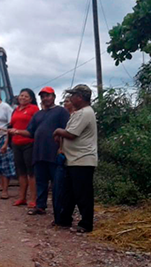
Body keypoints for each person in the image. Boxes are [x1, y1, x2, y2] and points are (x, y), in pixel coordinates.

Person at [9, 87, 70, 218]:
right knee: (41, 182)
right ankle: (40, 206)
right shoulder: (38, 115)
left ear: (53, 96)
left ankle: (59, 210)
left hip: (54, 153)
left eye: (47, 96)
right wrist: (17, 131)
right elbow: (30, 132)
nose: (45, 98)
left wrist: (62, 148)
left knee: (57, 183)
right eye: (43, 96)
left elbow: (67, 131)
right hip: (39, 153)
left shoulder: (61, 111)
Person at [53, 84, 98, 233]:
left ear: (79, 97)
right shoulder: (78, 113)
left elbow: (71, 134)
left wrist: (58, 131)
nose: (70, 99)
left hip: (82, 159)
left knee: (82, 194)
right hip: (73, 159)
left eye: (73, 96)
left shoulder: (85, 113)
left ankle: (86, 224)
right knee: (69, 192)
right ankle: (65, 219)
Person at [7, 88, 39, 208]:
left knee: (31, 172)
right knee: (21, 172)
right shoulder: (15, 110)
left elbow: (37, 125)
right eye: (21, 95)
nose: (23, 98)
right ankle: (22, 197)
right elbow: (12, 124)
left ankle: (33, 199)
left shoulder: (34, 109)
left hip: (29, 142)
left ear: (31, 99)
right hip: (16, 143)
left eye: (26, 96)